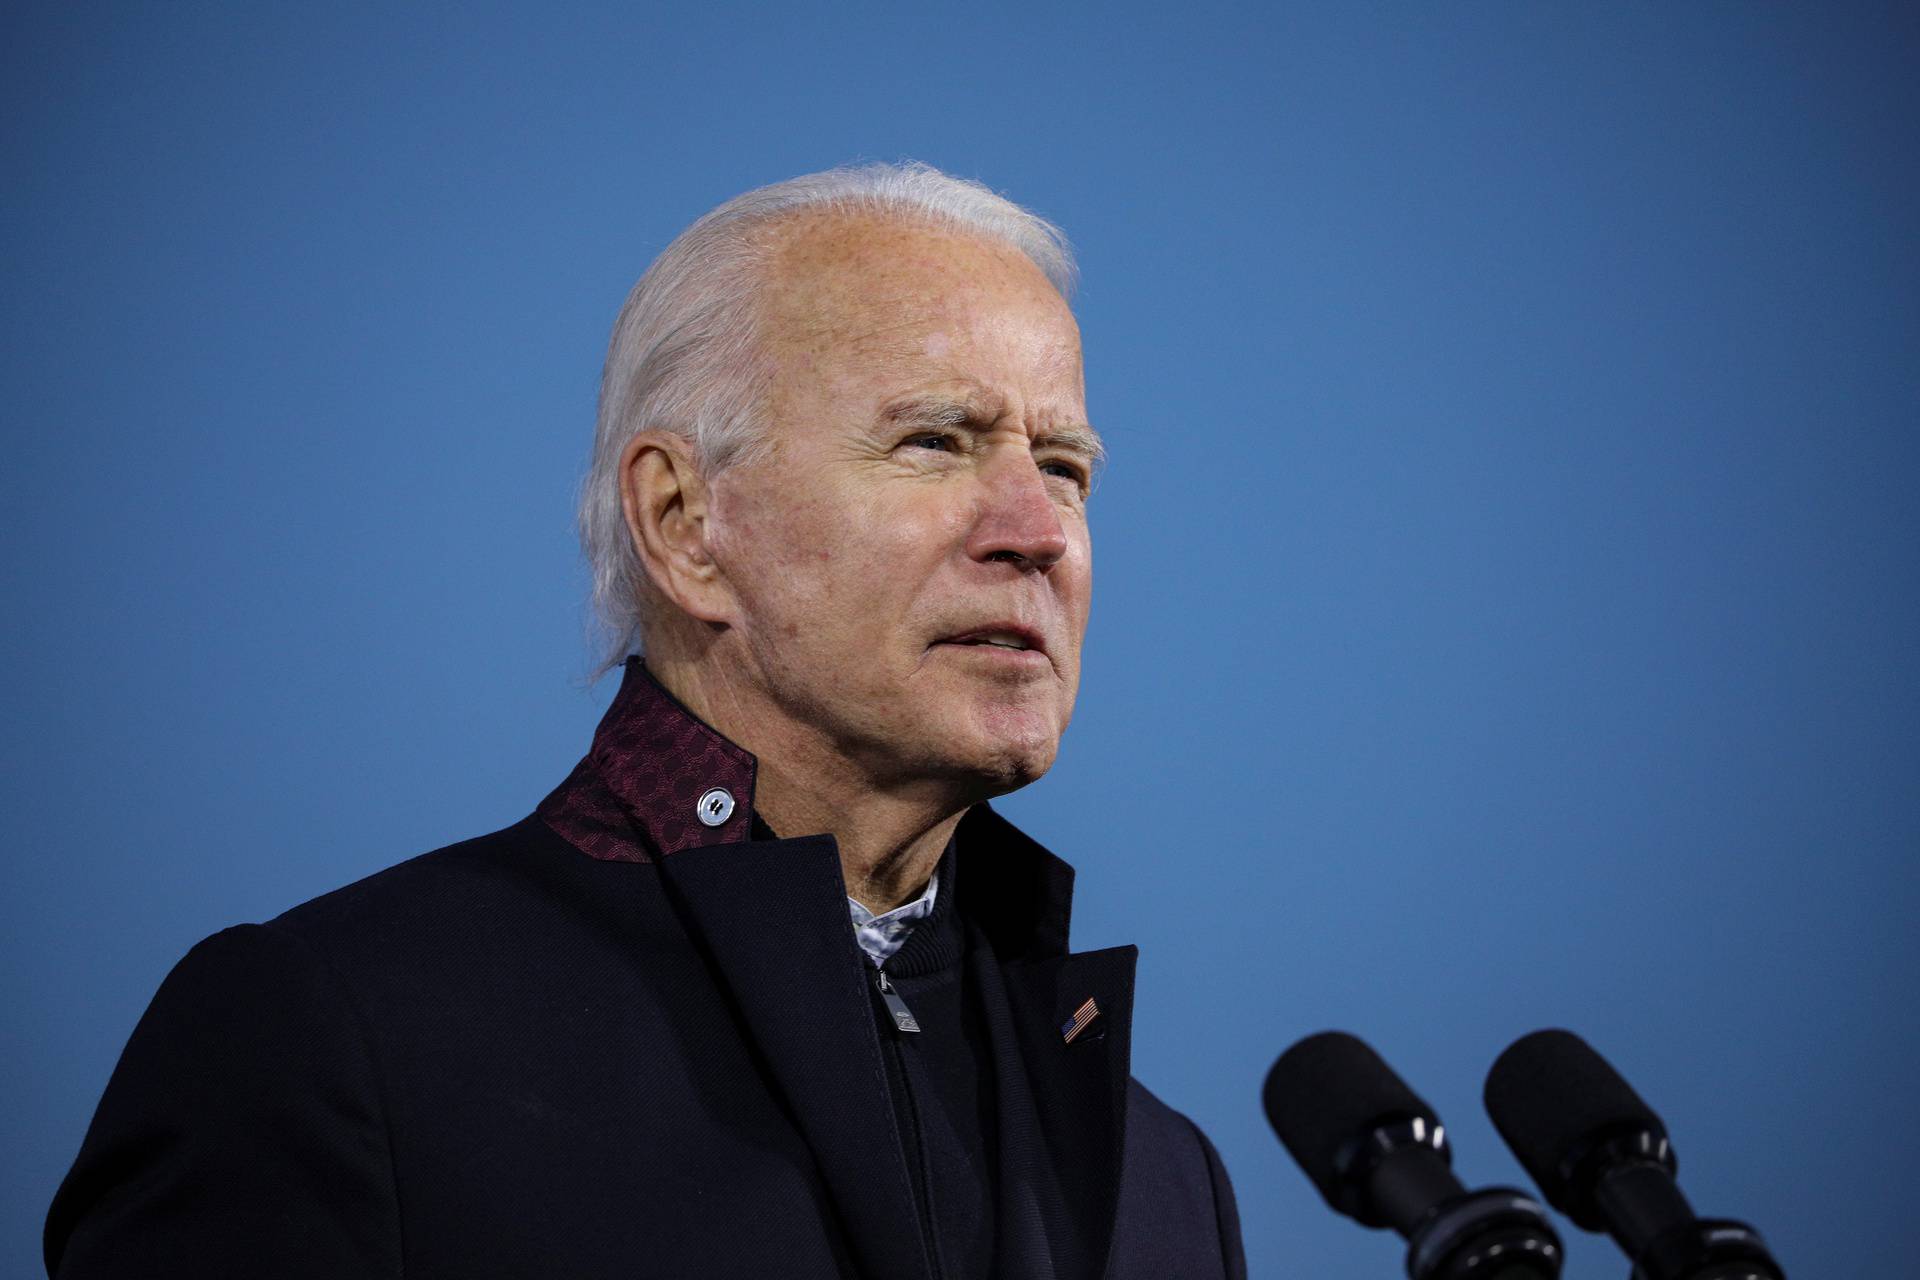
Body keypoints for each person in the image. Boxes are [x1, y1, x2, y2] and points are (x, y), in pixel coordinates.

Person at [45, 163, 1246, 1280]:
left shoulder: (1168, 1182)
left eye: (1068, 465)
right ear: (682, 523)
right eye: (935, 441)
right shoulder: (334, 1043)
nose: (1037, 530)